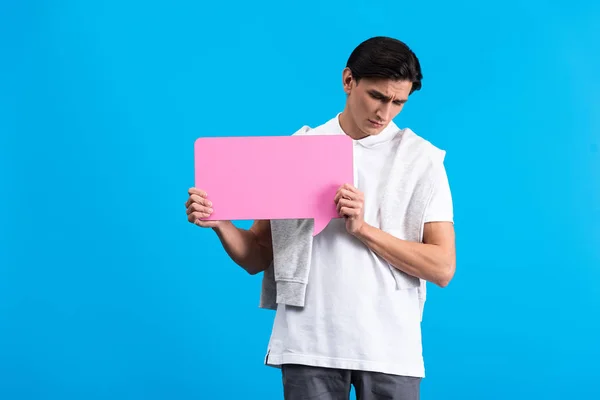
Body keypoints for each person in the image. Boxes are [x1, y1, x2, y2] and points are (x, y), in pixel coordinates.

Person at [185, 36, 456, 400]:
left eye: (399, 102)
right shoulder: (298, 150)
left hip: (390, 345)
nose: (385, 112)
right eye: (377, 96)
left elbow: (442, 267)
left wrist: (362, 230)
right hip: (308, 341)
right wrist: (220, 223)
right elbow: (257, 256)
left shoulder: (422, 161)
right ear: (348, 81)